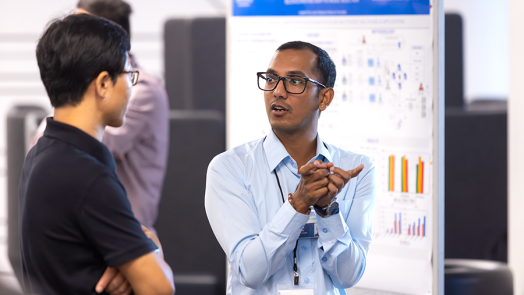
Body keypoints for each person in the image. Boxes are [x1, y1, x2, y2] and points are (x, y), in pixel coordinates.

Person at [19, 14, 174, 295]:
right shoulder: (87, 176)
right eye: (128, 75)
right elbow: (159, 287)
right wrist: (153, 247)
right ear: (103, 84)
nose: (131, 86)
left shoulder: (42, 154)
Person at [205, 41, 376, 294]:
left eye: (295, 81)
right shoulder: (230, 168)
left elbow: (348, 275)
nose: (277, 92)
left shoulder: (353, 170)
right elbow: (249, 272)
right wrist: (298, 204)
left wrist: (328, 211)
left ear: (325, 98)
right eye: (271, 79)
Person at [31, 0, 170, 235]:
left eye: (78, 27)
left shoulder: (143, 89)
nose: (69, 35)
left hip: (124, 230)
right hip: (96, 230)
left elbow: (83, 137)